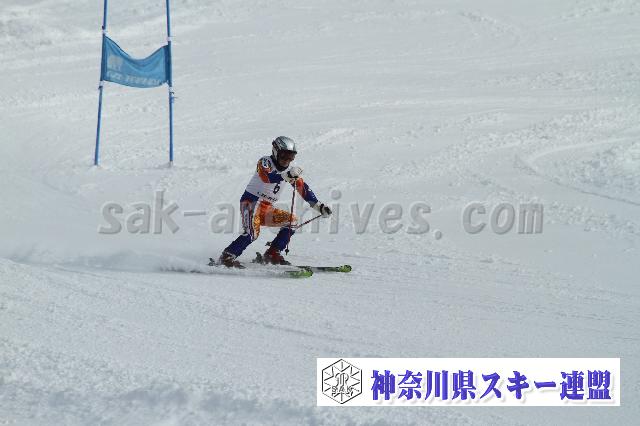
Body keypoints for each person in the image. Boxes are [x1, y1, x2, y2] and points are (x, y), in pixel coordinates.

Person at [218, 136, 332, 266]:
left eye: (291, 157)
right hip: (252, 202)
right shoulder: (265, 161)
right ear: (275, 151)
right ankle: (226, 257)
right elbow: (266, 177)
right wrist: (286, 176)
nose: (286, 160)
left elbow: (302, 188)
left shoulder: (289, 171)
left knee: (292, 221)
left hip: (266, 207)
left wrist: (319, 206)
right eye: (284, 156)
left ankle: (272, 253)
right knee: (252, 233)